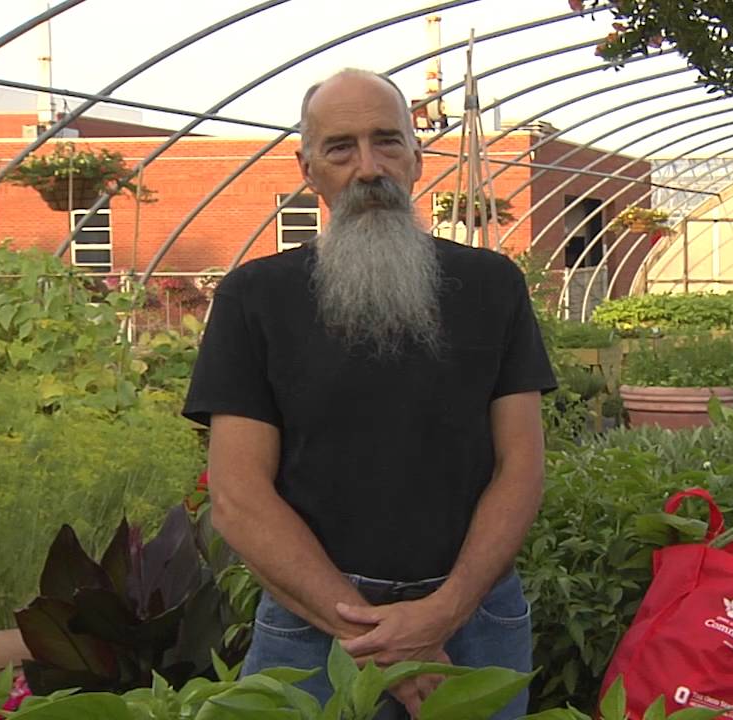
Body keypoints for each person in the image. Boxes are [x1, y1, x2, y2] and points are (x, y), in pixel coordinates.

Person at [182, 68, 556, 720]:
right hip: (311, 626)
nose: (367, 168)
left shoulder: (492, 285)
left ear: (417, 156)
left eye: (387, 142)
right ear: (307, 169)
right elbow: (238, 497)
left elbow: (520, 467)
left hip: (473, 618)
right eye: (340, 148)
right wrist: (380, 639)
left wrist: (445, 611)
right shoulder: (255, 298)